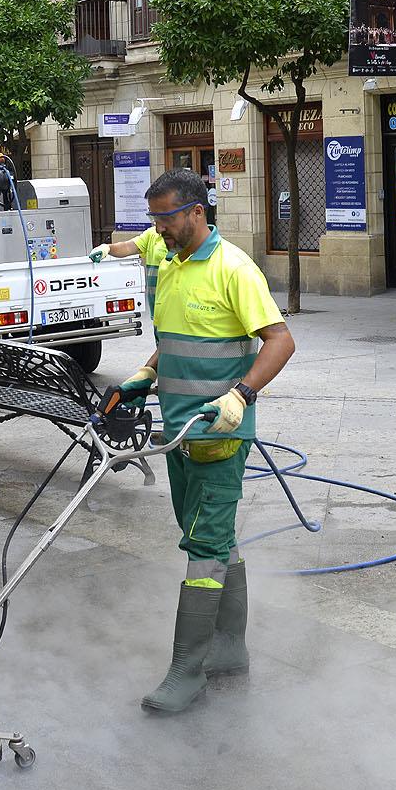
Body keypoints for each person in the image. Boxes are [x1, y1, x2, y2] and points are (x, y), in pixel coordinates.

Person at [115, 169, 295, 714]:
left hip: (220, 435)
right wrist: (149, 370)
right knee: (212, 539)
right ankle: (230, 648)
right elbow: (175, 341)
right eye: (155, 219)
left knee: (205, 548)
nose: (160, 228)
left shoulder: (234, 268)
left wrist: (240, 394)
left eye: (167, 217)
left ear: (197, 211)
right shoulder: (170, 265)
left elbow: (281, 341)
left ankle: (186, 672)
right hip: (178, 433)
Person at [89, 226, 167, 318]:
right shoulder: (152, 234)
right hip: (158, 310)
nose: (156, 222)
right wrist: (108, 248)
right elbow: (127, 247)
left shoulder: (184, 237)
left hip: (178, 309)